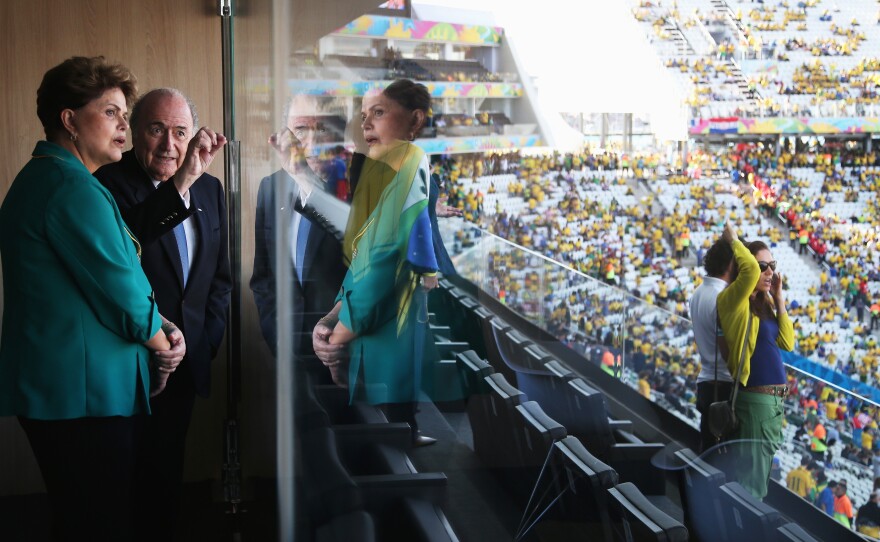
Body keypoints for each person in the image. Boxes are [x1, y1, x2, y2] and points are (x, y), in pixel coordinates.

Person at [0, 56, 180, 541]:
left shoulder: (47, 177)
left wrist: (160, 324)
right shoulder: (71, 188)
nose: (125, 125)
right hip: (81, 399)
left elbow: (100, 280)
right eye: (111, 113)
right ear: (69, 120)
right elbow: (120, 290)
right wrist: (167, 349)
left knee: (83, 518)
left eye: (125, 115)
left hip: (68, 393)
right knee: (97, 524)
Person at [94, 87, 231, 540]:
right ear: (134, 132)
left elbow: (219, 280)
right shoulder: (107, 183)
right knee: (118, 485)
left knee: (167, 477)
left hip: (186, 362)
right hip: (127, 364)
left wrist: (207, 340)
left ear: (193, 136)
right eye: (156, 130)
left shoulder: (211, 188)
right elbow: (124, 246)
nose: (169, 145)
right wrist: (179, 185)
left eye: (180, 132)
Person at [316, 80, 440, 446]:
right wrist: (336, 316)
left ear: (414, 120)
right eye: (364, 115)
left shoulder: (410, 164)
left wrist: (341, 330)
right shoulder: (387, 168)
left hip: (381, 335)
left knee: (387, 439)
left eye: (380, 113)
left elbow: (384, 259)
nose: (366, 123)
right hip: (372, 334)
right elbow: (366, 253)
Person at [251, 93, 347, 380]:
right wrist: (278, 337)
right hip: (290, 354)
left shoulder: (363, 183)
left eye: (323, 129)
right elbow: (263, 277)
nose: (313, 143)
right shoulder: (271, 187)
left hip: (347, 354)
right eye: (301, 130)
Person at [717, 222, 794, 500]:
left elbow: (787, 342)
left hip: (772, 404)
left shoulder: (764, 303)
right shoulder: (732, 300)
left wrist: (779, 298)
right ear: (745, 265)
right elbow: (748, 270)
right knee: (753, 487)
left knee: (754, 478)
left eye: (772, 265)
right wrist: (734, 240)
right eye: (763, 266)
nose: (769, 272)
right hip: (757, 403)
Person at [689, 237, 736, 452]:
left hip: (706, 382)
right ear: (730, 265)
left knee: (708, 452)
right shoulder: (722, 297)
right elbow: (724, 346)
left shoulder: (698, 293)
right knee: (724, 458)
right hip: (723, 387)